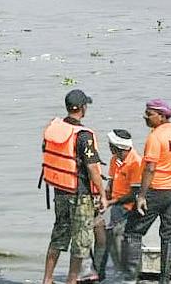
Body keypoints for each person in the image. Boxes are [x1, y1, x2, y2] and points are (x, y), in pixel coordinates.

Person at [41, 89, 107, 284]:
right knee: (81, 242)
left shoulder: (54, 129)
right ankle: (71, 281)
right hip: (80, 196)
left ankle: (47, 279)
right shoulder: (84, 136)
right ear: (83, 108)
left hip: (60, 191)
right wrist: (102, 194)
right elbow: (93, 169)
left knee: (58, 235)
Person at [123, 99, 171, 284]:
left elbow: (150, 168)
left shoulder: (155, 137)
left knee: (133, 232)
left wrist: (141, 196)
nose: (145, 117)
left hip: (157, 190)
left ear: (162, 116)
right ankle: (164, 279)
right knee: (169, 235)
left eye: (149, 114)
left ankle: (133, 278)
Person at [96, 129, 142, 281]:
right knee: (105, 235)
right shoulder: (115, 160)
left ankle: (126, 273)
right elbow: (111, 183)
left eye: (110, 145)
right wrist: (103, 198)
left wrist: (110, 202)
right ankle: (107, 272)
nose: (109, 148)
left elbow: (134, 194)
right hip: (115, 205)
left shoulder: (136, 162)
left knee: (119, 239)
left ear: (116, 147)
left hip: (128, 208)